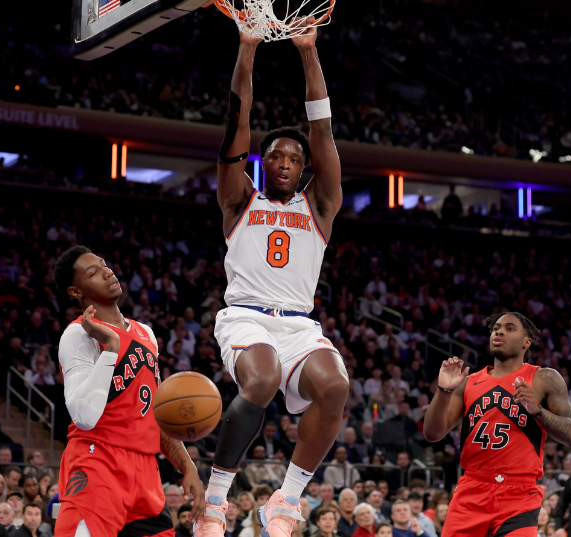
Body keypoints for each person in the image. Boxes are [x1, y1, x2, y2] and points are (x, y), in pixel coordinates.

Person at [195, 21, 349, 537]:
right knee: (259, 380)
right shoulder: (240, 199)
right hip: (245, 316)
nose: (284, 162)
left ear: (304, 169)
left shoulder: (320, 205)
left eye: (294, 158)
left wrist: (307, 51)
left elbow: (322, 130)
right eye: (276, 156)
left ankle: (285, 499)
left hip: (299, 326)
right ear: (263, 165)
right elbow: (235, 124)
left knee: (335, 387)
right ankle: (216, 500)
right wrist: (247, 48)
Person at [52, 245, 205, 537]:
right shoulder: (78, 334)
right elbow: (83, 415)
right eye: (93, 272)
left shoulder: (146, 333)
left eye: (104, 264)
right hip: (99, 461)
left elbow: (156, 414)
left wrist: (188, 466)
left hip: (146, 470)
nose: (107, 271)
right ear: (76, 292)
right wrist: (111, 347)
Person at [423, 312, 571, 537]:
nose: (499, 331)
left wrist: (538, 412)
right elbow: (432, 433)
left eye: (510, 328)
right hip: (472, 488)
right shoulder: (468, 382)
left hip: (519, 493)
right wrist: (444, 390)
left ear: (527, 342)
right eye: (496, 328)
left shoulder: (543, 378)